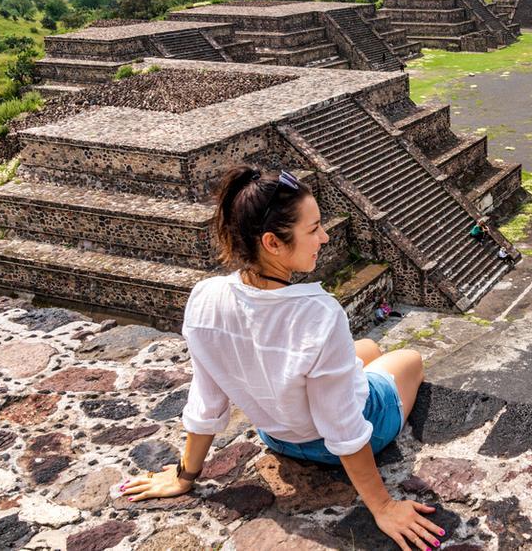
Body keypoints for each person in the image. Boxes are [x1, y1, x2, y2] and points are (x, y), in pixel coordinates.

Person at [119, 167, 443, 550]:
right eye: (314, 229)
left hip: (279, 436)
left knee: (368, 351)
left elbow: (207, 401)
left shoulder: (205, 298)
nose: (324, 237)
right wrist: (383, 506)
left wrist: (184, 477)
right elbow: (343, 428)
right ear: (272, 242)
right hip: (342, 438)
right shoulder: (319, 313)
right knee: (409, 358)